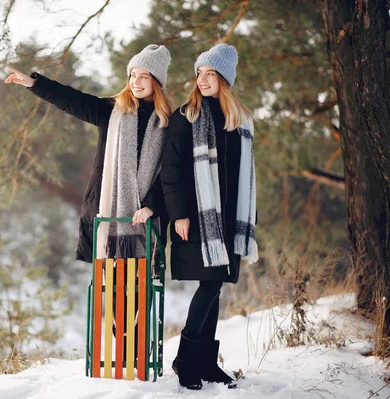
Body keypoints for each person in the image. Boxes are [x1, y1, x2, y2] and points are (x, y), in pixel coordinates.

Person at [5, 44, 173, 262]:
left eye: (144, 77)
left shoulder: (168, 123)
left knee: (138, 290)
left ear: (156, 82)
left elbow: (169, 172)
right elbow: (74, 100)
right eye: (133, 75)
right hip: (107, 217)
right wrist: (35, 83)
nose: (136, 82)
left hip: (146, 221)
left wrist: (152, 205)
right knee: (110, 289)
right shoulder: (112, 111)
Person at [161, 43, 258, 390]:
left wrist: (249, 222)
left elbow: (245, 178)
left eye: (210, 74)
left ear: (225, 80)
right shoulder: (186, 117)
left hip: (229, 223)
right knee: (210, 285)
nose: (202, 80)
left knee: (214, 288)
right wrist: (180, 215)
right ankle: (186, 360)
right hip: (198, 220)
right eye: (199, 73)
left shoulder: (239, 121)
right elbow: (170, 170)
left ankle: (203, 362)